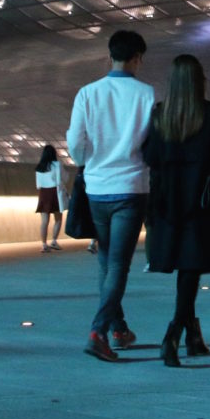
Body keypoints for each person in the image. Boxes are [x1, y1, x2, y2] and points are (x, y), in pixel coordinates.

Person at [142, 54, 210, 367]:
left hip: (166, 202)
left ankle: (193, 337)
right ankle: (173, 334)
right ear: (200, 80)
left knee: (185, 268)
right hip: (196, 201)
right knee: (191, 268)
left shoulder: (160, 114)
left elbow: (150, 156)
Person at [67, 30, 154, 363]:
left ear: (110, 55)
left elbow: (76, 142)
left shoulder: (88, 93)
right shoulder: (145, 94)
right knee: (118, 263)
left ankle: (118, 328)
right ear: (137, 58)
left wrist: (87, 161)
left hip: (97, 188)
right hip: (131, 187)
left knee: (106, 261)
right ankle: (98, 330)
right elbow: (149, 142)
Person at [34, 144, 65, 252]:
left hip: (43, 193)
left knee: (44, 221)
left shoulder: (39, 167)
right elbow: (61, 179)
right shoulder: (57, 164)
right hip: (54, 192)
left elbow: (37, 185)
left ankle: (43, 244)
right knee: (58, 219)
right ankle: (54, 241)